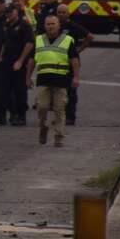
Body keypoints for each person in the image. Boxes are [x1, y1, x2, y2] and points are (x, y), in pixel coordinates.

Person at [28, 15, 80, 147]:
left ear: (58, 25)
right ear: (44, 26)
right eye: (48, 24)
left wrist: (76, 77)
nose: (50, 26)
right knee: (42, 107)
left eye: (53, 24)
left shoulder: (68, 41)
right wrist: (27, 77)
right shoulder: (38, 39)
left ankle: (59, 137)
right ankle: (43, 128)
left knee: (59, 109)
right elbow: (32, 60)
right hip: (43, 79)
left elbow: (74, 60)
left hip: (61, 79)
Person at [54, 5, 91, 126]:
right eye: (59, 12)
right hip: (57, 61)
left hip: (71, 62)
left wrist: (79, 49)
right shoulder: (54, 26)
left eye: (64, 12)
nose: (61, 14)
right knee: (58, 91)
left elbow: (89, 36)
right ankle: (59, 116)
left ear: (68, 13)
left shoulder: (73, 26)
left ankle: (70, 117)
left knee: (71, 91)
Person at [0, 5, 34, 126]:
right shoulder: (7, 25)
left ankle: (21, 116)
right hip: (7, 62)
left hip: (19, 62)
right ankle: (12, 114)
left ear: (17, 12)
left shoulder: (25, 25)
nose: (9, 14)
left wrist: (20, 60)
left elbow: (29, 44)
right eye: (7, 12)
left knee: (20, 90)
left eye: (11, 12)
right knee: (5, 90)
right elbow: (5, 42)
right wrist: (1, 55)